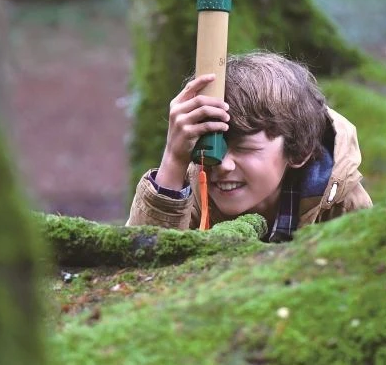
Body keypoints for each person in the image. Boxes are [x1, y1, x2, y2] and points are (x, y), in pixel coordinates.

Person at [126, 51, 372, 241]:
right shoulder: (191, 191)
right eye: (213, 144)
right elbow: (138, 272)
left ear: (299, 150)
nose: (222, 164)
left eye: (244, 148)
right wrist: (174, 158)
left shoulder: (340, 202)